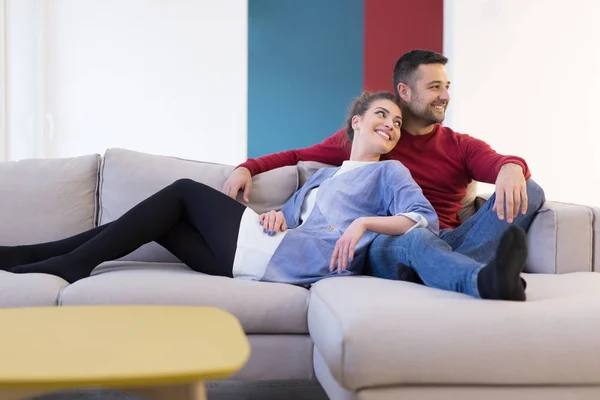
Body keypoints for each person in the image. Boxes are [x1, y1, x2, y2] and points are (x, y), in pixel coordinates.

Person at [2, 91, 460, 289]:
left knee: (183, 191)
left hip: (295, 260)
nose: (392, 126)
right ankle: (37, 257)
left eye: (398, 123)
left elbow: (424, 219)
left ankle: (68, 263)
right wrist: (279, 214)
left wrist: (362, 223)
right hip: (270, 251)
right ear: (357, 121)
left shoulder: (390, 173)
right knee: (159, 224)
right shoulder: (324, 174)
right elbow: (292, 218)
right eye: (383, 115)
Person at [222, 49, 545, 301]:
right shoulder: (376, 137)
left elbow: (501, 162)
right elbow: (297, 156)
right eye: (434, 87)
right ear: (404, 91)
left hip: (450, 239)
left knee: (530, 191)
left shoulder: (459, 145)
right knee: (413, 239)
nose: (445, 96)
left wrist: (511, 167)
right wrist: (247, 167)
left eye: (446, 87)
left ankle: (431, 269)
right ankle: (475, 276)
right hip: (387, 240)